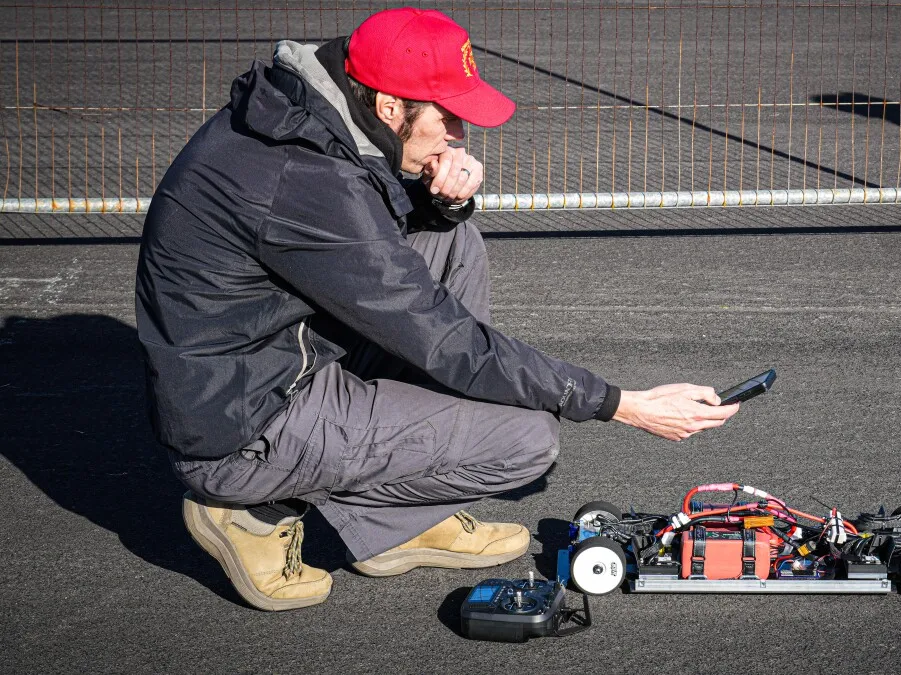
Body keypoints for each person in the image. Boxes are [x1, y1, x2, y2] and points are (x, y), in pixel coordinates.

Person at [135, 7, 739, 612]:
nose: (458, 134)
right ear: (391, 108)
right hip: (244, 425)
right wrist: (618, 403)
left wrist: (435, 201)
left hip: (266, 355)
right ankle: (252, 513)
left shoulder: (308, 114)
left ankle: (395, 520)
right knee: (527, 439)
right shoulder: (305, 177)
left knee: (451, 240)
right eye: (448, 117)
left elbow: (363, 236)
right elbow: (447, 341)